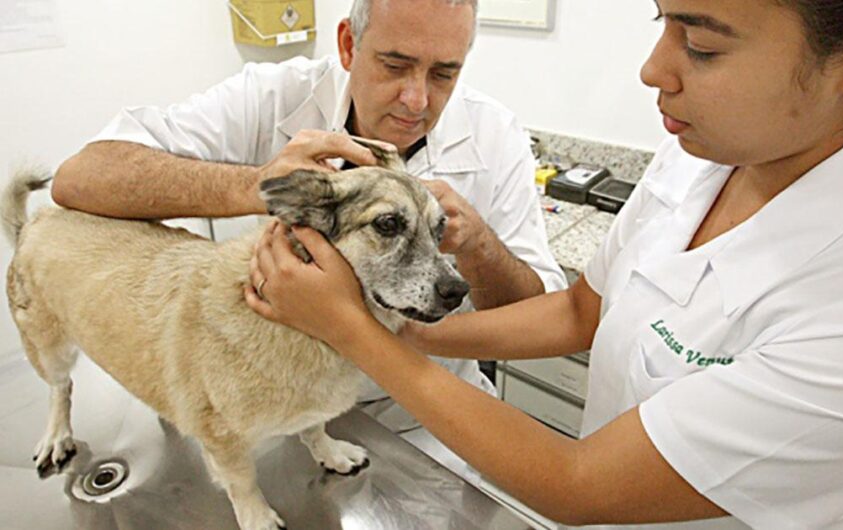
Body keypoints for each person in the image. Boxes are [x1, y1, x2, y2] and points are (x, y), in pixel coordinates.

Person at [245, 0, 843, 528]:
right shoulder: (711, 145)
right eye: (661, 21)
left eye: (702, 46)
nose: (652, 70)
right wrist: (402, 327)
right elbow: (582, 310)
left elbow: (576, 484)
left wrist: (352, 331)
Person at [50, 0, 566, 482]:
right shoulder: (270, 95)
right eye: (393, 64)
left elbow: (540, 315)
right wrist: (256, 186)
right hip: (275, 403)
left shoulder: (497, 135)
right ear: (347, 45)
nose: (416, 100)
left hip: (429, 418)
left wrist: (478, 246)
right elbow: (78, 179)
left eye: (444, 73)